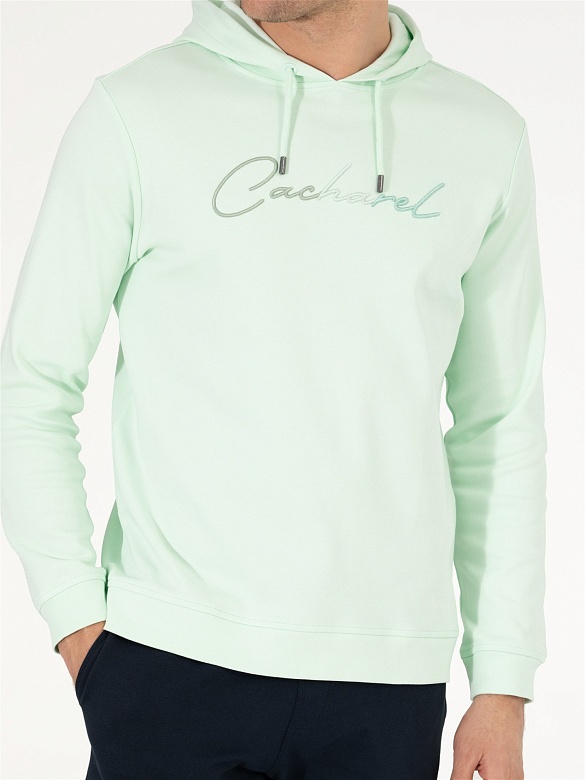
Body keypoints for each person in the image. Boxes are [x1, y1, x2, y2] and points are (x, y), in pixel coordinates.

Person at [0, 0, 547, 778]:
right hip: (167, 662)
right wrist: (76, 622)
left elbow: (499, 421)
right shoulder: (138, 108)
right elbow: (31, 382)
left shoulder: (482, 135)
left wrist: (501, 682)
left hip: (388, 684)